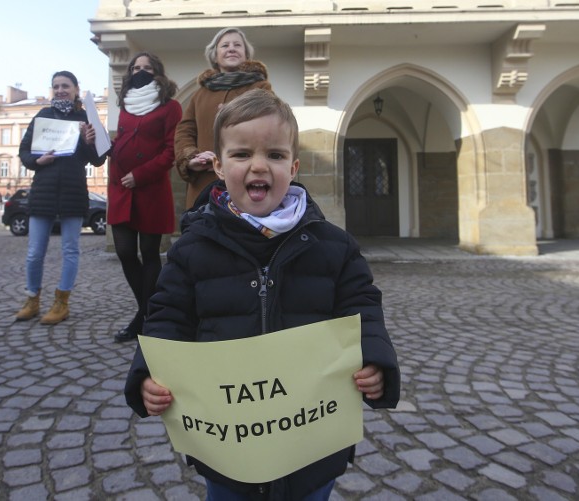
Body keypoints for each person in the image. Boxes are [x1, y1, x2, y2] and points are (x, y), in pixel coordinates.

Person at [125, 89, 400, 500]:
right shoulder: (191, 249)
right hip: (227, 443)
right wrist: (148, 373)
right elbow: (166, 317)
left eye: (274, 155)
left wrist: (375, 361)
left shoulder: (334, 245)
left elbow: (362, 308)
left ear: (293, 166)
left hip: (312, 441)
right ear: (218, 166)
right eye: (241, 155)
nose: (258, 165)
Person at [15, 70, 106, 325]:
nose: (60, 90)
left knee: (70, 250)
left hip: (73, 191)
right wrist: (37, 160)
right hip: (43, 191)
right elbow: (24, 152)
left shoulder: (85, 118)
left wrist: (90, 141)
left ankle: (61, 302)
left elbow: (98, 159)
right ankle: (32, 298)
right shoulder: (43, 116)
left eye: (65, 85)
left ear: (76, 89)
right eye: (56, 86)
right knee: (34, 252)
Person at [109, 53, 182, 343]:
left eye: (147, 68)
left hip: (149, 188)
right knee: (125, 252)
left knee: (150, 254)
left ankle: (143, 318)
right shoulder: (125, 105)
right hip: (121, 189)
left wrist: (140, 174)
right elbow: (122, 141)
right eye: (136, 68)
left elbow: (170, 151)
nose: (141, 72)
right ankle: (149, 311)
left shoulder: (170, 107)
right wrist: (102, 143)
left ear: (158, 73)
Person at [174, 27, 272, 209]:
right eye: (225, 45)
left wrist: (237, 113)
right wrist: (190, 158)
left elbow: (271, 126)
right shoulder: (200, 94)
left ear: (246, 53)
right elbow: (184, 130)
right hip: (204, 186)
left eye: (237, 45)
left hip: (246, 181)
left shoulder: (261, 88)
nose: (231, 48)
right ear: (215, 55)